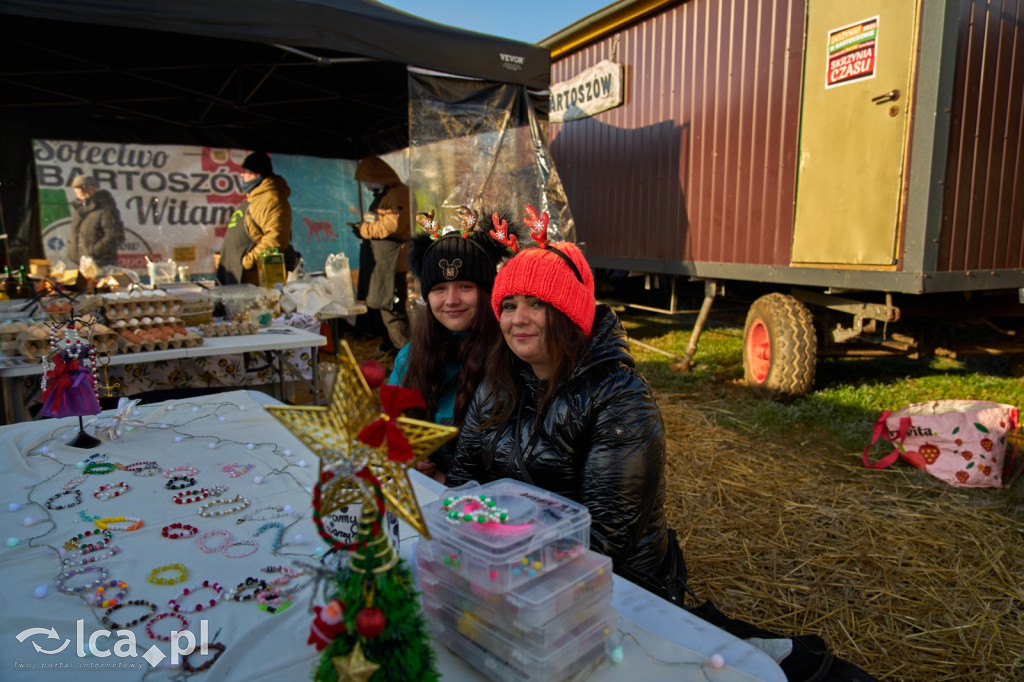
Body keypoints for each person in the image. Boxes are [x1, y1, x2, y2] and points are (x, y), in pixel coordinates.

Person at [446, 207, 875, 682]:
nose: (518, 319)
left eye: (536, 304)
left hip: (618, 588)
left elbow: (606, 538)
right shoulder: (496, 383)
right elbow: (465, 480)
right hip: (513, 574)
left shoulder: (619, 397)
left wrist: (501, 565)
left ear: (567, 312)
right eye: (509, 305)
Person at [389, 206, 520, 481]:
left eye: (465, 286)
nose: (451, 300)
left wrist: (447, 480)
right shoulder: (409, 358)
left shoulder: (512, 357)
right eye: (439, 289)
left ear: (487, 292)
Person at [352, 157, 411, 353]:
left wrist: (365, 230)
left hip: (393, 261)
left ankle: (405, 353)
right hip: (380, 259)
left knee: (391, 308)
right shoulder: (385, 194)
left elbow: (392, 225)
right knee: (380, 303)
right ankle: (391, 347)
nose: (367, 188)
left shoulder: (400, 194)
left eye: (368, 182)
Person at [218, 151, 293, 285]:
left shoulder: (272, 199)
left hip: (255, 282)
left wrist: (248, 261)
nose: (242, 175)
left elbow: (276, 239)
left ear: (257, 173)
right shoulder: (254, 198)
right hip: (238, 279)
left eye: (246, 171)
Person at [67, 175, 125, 269]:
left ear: (94, 188)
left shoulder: (106, 208)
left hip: (102, 266)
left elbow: (115, 236)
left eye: (85, 187)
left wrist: (92, 252)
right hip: (82, 265)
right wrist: (73, 253)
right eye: (77, 187)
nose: (81, 190)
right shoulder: (79, 210)